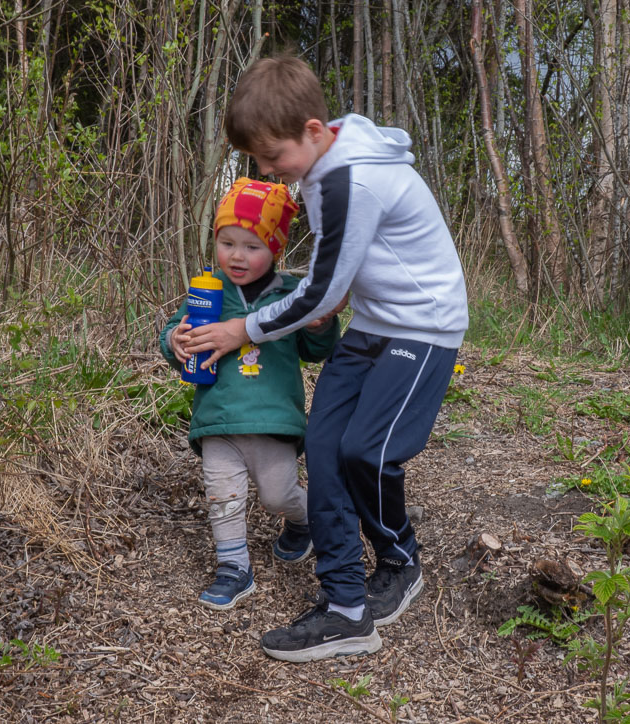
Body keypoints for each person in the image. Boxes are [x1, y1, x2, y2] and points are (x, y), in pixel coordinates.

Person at [181, 55, 469, 661]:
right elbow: (330, 271)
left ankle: (397, 558)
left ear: (314, 130)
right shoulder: (319, 168)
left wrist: (245, 330)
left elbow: (323, 292)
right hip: (373, 324)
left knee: (367, 449)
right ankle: (344, 608)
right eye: (258, 161)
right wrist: (310, 303)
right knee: (326, 446)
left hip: (424, 325)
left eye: (271, 157)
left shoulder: (349, 178)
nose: (268, 171)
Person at [161, 178, 340, 611]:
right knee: (222, 494)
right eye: (227, 243)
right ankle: (233, 567)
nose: (237, 256)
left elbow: (317, 352)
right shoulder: (207, 293)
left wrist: (319, 325)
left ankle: (302, 523)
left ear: (275, 249)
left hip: (273, 420)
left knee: (278, 494)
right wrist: (175, 342)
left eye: (252, 246)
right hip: (218, 418)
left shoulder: (291, 295)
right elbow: (175, 333)